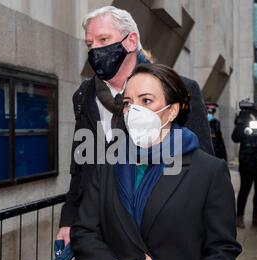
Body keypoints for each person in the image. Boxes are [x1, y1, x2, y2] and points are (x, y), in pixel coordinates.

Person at [71, 63, 241, 260]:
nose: (134, 111)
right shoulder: (108, 163)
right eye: (128, 103)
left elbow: (222, 249)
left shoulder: (209, 171)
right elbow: (84, 231)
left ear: (172, 111)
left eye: (146, 101)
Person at [57, 6, 214, 245]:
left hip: (158, 232)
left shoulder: (179, 89)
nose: (95, 49)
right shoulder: (84, 95)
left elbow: (201, 164)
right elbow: (81, 163)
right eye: (90, 44)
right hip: (96, 233)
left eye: (104, 39)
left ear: (131, 41)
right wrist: (69, 219)